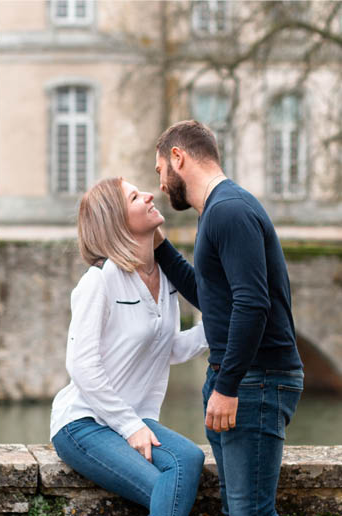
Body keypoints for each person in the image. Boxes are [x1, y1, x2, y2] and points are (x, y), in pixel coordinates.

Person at [153, 120, 304, 516]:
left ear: (178, 157)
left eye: (160, 172)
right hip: (238, 379)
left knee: (249, 512)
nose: (161, 185)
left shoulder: (229, 211)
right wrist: (160, 246)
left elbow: (253, 305)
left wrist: (227, 386)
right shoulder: (216, 213)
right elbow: (211, 296)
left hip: (256, 381)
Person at [50, 177, 208, 516]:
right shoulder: (99, 281)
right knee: (168, 487)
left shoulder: (166, 279)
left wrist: (223, 321)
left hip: (135, 419)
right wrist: (129, 426)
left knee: (190, 459)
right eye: (136, 196)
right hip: (83, 423)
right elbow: (81, 365)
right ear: (117, 221)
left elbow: (171, 349)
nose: (150, 195)